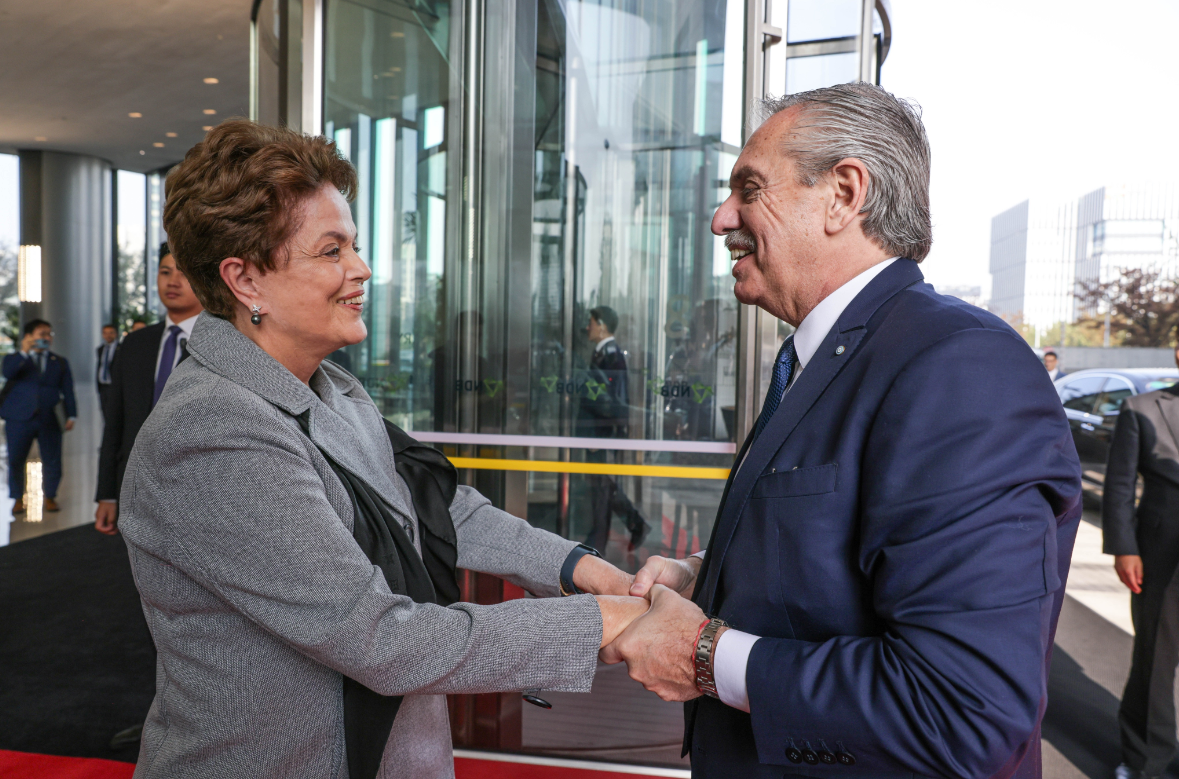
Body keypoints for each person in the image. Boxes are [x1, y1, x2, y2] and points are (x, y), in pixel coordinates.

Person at [117, 119, 647, 779]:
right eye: (331, 250)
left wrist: (588, 571)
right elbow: (380, 640)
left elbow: (436, 508)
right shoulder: (211, 431)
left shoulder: (329, 387)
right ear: (245, 280)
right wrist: (606, 622)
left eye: (355, 246)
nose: (361, 269)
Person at [599, 83, 1083, 778]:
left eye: (748, 187)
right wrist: (708, 578)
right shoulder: (822, 355)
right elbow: (851, 563)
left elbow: (963, 710)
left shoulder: (957, 366)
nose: (719, 217)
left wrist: (703, 653)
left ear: (843, 193)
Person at [1102, 334, 1179, 779]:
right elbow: (1118, 485)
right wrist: (1124, 547)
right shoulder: (1143, 409)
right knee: (1155, 662)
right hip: (1159, 557)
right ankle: (1146, 762)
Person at [94, 244, 203, 536]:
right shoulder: (135, 344)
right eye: (164, 272)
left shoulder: (222, 342)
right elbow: (115, 422)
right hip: (135, 487)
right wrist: (107, 492)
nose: (172, 281)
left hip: (196, 492)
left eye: (183, 273)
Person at [578, 305, 649, 552]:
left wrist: (606, 435)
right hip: (598, 435)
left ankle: (598, 541)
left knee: (602, 489)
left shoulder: (612, 356)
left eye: (591, 322)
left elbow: (613, 402)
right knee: (602, 486)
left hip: (601, 435)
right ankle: (629, 526)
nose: (588, 327)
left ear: (602, 326)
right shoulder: (603, 353)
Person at [1, 319, 77, 514]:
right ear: (29, 336)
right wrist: (24, 352)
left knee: (52, 459)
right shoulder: (14, 359)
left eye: (49, 334)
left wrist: (72, 415)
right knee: (16, 459)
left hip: (49, 418)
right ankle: (17, 498)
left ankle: (50, 496)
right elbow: (8, 373)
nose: (46, 338)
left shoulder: (58, 362)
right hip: (19, 417)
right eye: (41, 334)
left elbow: (68, 390)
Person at [96, 324, 119, 416]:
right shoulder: (100, 349)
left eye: (111, 333)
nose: (108, 336)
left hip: (114, 386)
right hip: (103, 386)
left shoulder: (121, 348)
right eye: (105, 333)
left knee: (114, 414)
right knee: (104, 412)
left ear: (116, 334)